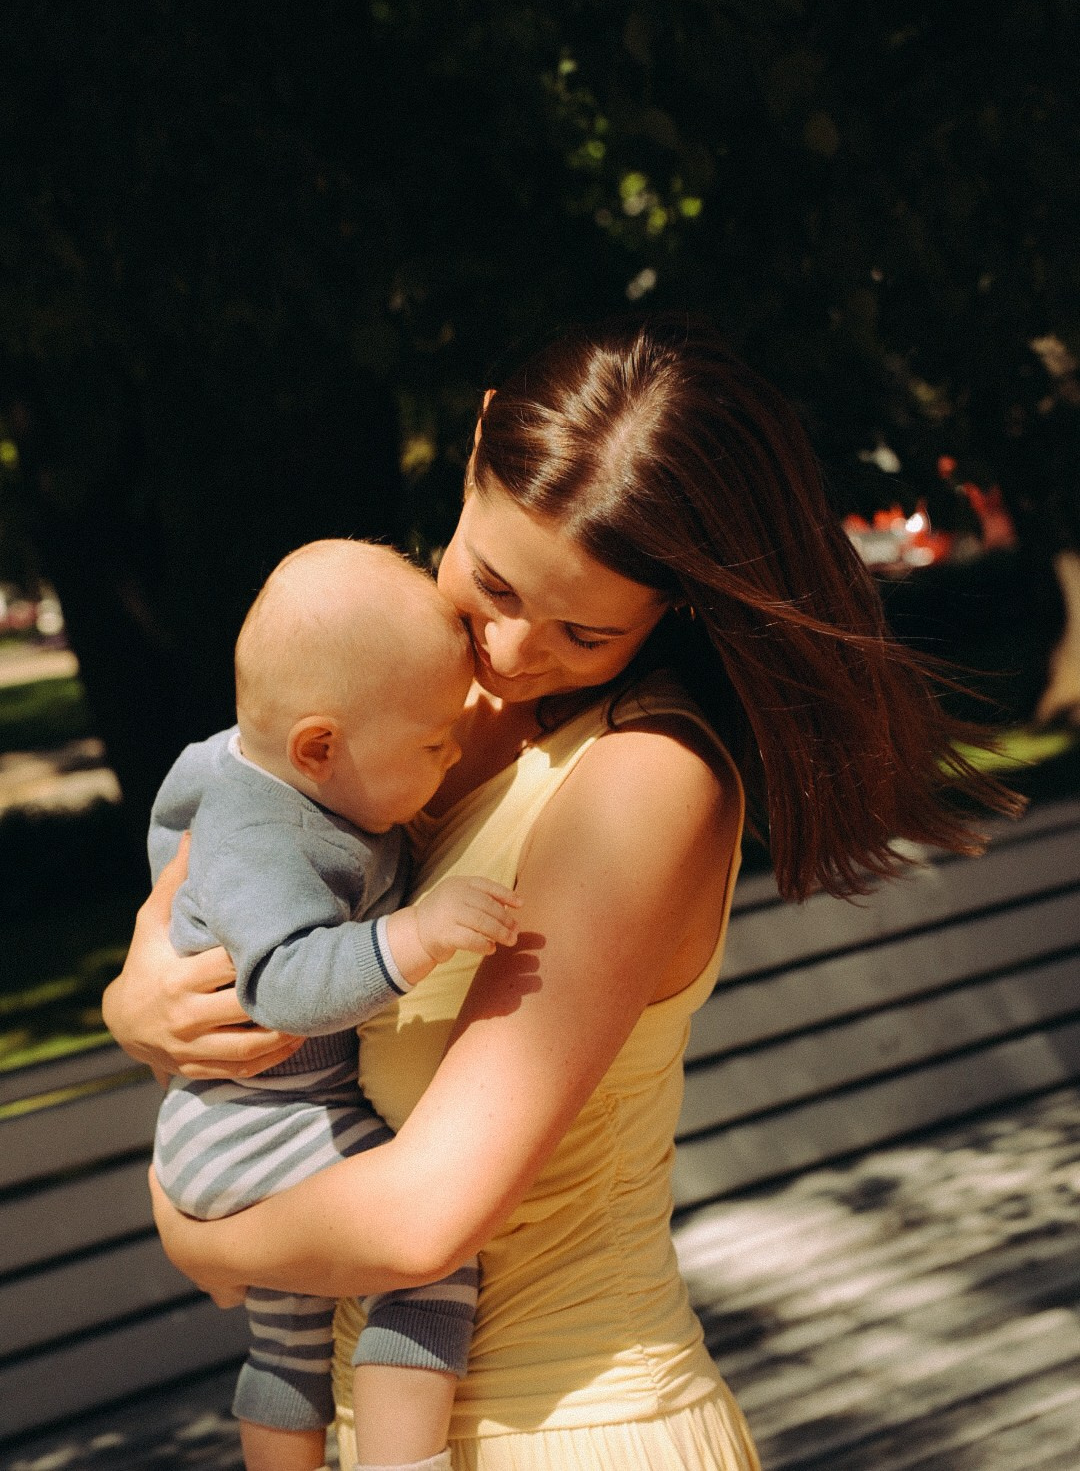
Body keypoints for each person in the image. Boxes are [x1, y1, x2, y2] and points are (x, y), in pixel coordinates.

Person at [105, 316, 1019, 1471]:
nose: (511, 650)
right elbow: (199, 916)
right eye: (491, 582)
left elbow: (426, 1217)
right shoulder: (395, 709)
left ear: (672, 609)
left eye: (584, 633)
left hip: (573, 1433)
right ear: (480, 436)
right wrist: (135, 1013)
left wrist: (195, 1233)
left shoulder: (640, 784)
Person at [147, 539, 520, 1471]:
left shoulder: (267, 777)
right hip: (264, 1122)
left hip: (232, 1124)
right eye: (432, 744)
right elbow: (286, 986)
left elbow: (172, 817)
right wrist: (417, 936)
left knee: (288, 1342)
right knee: (434, 1265)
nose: (450, 754)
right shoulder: (265, 833)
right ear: (319, 745)